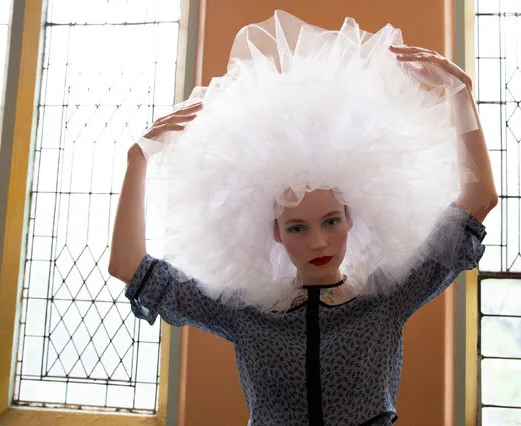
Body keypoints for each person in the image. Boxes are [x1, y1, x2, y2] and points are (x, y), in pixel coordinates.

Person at [108, 11, 497, 426]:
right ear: (275, 233)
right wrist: (138, 159)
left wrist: (460, 94)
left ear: (352, 218)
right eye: (297, 227)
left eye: (331, 221)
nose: (318, 242)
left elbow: (478, 199)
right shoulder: (246, 314)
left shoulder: (385, 300)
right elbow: (129, 266)